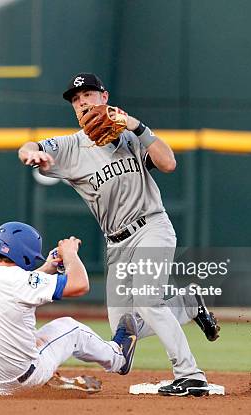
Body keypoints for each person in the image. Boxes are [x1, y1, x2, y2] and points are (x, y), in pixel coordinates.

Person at [17, 72, 220, 397]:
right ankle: (189, 304)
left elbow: (168, 164)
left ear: (104, 98)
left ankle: (190, 374)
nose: (81, 102)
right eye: (75, 100)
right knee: (123, 331)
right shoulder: (70, 147)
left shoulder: (130, 136)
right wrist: (30, 154)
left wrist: (136, 126)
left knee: (146, 297)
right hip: (118, 243)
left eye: (87, 96)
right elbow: (30, 146)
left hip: (152, 226)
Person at [0, 221, 139, 397]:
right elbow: (80, 285)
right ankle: (118, 358)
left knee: (30, 338)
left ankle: (47, 382)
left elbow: (14, 285)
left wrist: (47, 268)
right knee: (72, 328)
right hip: (21, 381)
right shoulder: (18, 281)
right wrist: (70, 255)